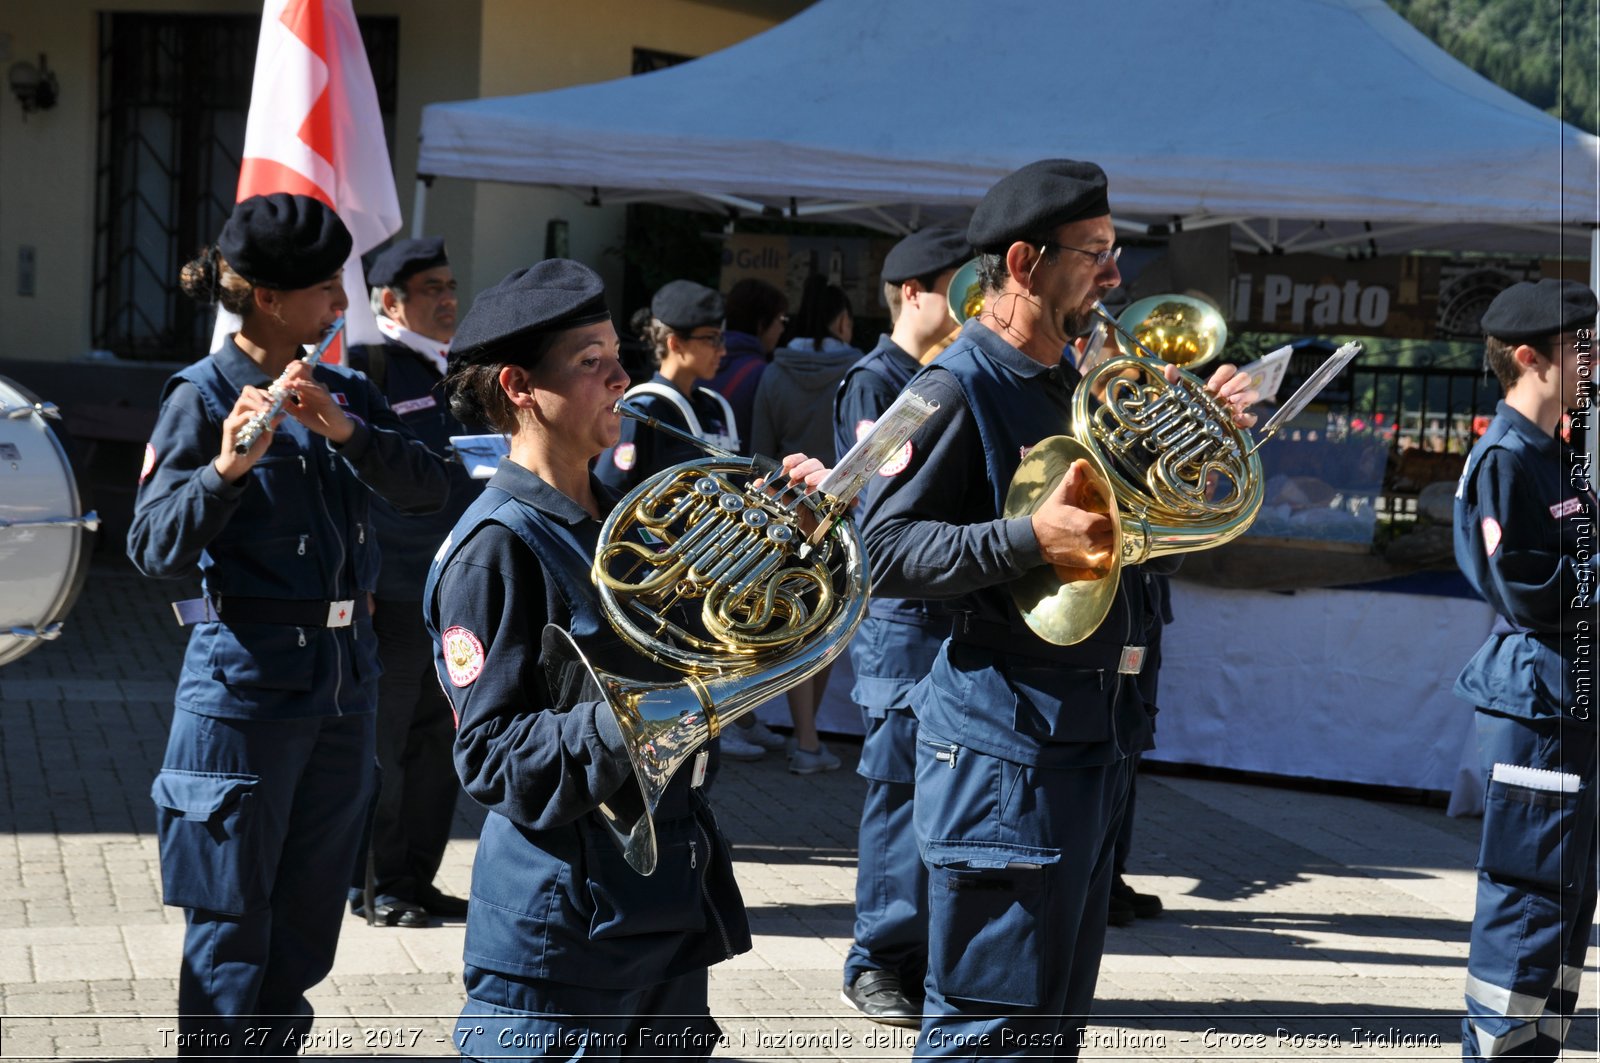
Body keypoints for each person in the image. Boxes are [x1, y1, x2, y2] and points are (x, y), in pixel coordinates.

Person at [859, 159, 1256, 1057]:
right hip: (1004, 752)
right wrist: (1027, 540)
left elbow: (1121, 536)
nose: (1116, 275)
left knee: (1049, 1031)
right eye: (1098, 254)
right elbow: (878, 550)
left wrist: (1211, 439)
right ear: (1027, 263)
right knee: (990, 1032)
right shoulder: (950, 386)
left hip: (1078, 739)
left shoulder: (1062, 384)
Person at [424, 259, 833, 1060]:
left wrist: (794, 540)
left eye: (618, 353)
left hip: (659, 907)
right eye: (591, 362)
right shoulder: (496, 548)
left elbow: (705, 640)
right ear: (518, 386)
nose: (622, 377)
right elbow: (492, 756)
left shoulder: (624, 529)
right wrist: (654, 715)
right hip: (563, 938)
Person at [128, 192, 449, 1054]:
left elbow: (432, 486)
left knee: (307, 925)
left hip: (346, 686)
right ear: (269, 298)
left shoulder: (345, 389)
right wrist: (225, 473)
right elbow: (151, 545)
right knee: (232, 927)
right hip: (243, 694)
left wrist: (345, 432)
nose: (342, 305)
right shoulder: (199, 396)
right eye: (324, 289)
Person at [1454, 278, 1598, 1062]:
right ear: (1528, 358)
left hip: (1571, 703)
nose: (1596, 358)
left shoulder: (1560, 452)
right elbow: (1530, 588)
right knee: (1528, 903)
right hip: (1536, 705)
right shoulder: (1506, 458)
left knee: (1566, 911)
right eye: (1582, 345)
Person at [832, 226, 968, 1026]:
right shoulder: (876, 380)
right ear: (913, 291)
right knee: (897, 790)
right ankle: (877, 958)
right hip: (903, 617)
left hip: (952, 608)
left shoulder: (954, 375)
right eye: (958, 286)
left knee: (947, 792)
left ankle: (929, 955)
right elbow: (879, 501)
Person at [342, 237, 477, 928]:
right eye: (432, 287)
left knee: (439, 742)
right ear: (389, 301)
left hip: (456, 590)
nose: (449, 297)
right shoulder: (370, 368)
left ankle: (416, 877)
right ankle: (374, 883)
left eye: (452, 284)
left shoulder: (455, 369)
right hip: (393, 591)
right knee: (386, 742)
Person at [595, 279, 785, 761]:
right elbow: (616, 498)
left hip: (717, 572)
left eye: (722, 337)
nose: (722, 349)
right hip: (666, 581)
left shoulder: (713, 404)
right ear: (675, 343)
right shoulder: (643, 407)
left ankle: (736, 714)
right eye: (711, 339)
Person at [753, 275, 864, 773]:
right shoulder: (857, 373)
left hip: (784, 509)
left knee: (798, 623)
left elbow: (758, 446)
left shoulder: (775, 373)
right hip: (837, 515)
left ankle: (805, 738)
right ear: (841, 321)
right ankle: (808, 740)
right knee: (827, 624)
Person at [707, 277, 788, 453]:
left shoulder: (702, 364)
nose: (782, 329)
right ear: (761, 324)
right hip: (738, 473)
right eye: (780, 319)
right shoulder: (764, 374)